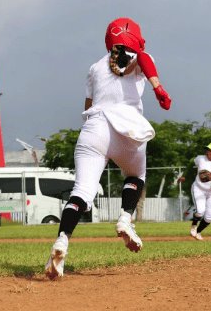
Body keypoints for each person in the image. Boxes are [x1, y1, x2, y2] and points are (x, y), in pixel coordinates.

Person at [45, 17, 172, 279]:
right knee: (136, 176)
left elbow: (88, 104)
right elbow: (145, 58)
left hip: (95, 128)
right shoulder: (139, 58)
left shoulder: (95, 67)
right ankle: (125, 219)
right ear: (135, 38)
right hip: (127, 128)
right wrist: (157, 86)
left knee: (81, 193)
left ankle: (62, 241)